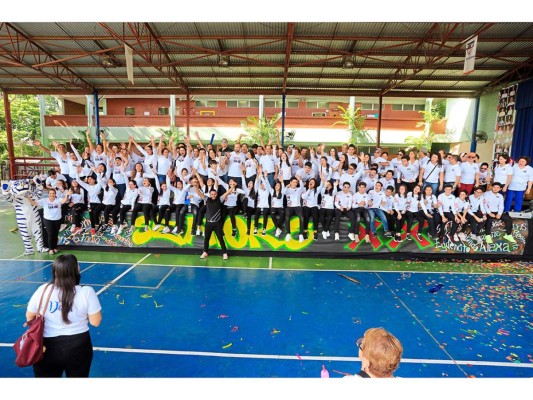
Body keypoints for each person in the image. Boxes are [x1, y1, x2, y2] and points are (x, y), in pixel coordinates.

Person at [25, 254, 102, 377]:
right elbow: (95, 322)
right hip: (79, 346)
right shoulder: (87, 292)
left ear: (55, 271)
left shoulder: (43, 289)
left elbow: (30, 316)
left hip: (47, 347)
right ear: (77, 269)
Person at [29, 188, 70, 255]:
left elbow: (64, 200)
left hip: (57, 219)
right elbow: (34, 203)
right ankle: (51, 249)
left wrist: (67, 195)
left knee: (56, 234)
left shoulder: (58, 200)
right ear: (48, 194)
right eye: (50, 193)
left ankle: (55, 248)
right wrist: (28, 198)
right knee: (50, 234)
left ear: (55, 194)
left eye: (53, 193)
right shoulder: (44, 200)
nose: (52, 194)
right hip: (48, 220)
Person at [199, 188, 229, 260]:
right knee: (206, 239)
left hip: (217, 224)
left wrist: (232, 187)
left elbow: (227, 193)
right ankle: (205, 252)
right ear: (210, 194)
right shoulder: (207, 199)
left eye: (214, 194)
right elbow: (199, 193)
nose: (213, 195)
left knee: (220, 239)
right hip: (208, 224)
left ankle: (224, 253)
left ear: (216, 194)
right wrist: (195, 186)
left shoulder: (220, 199)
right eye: (212, 194)